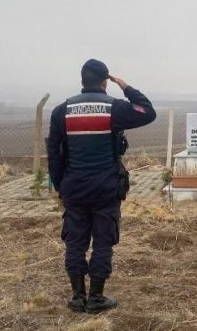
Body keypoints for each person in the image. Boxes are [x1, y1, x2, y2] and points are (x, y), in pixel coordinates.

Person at [47, 59, 156, 313]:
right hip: (106, 189)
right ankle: (96, 298)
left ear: (82, 80)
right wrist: (127, 87)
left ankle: (77, 298)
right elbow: (147, 111)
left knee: (75, 242)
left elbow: (53, 153)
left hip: (73, 188)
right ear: (105, 81)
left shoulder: (61, 110)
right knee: (103, 242)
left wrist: (59, 185)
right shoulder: (114, 108)